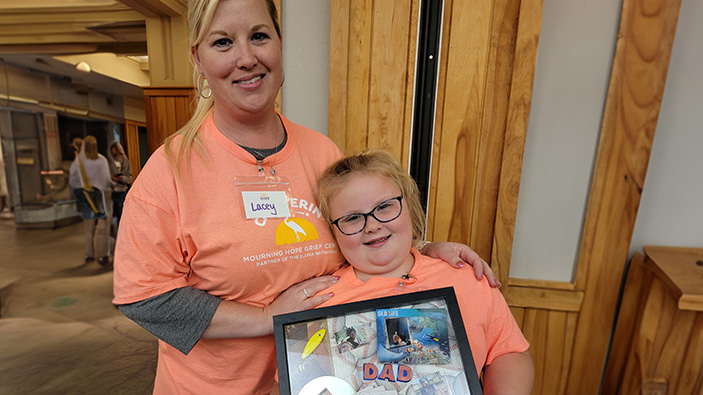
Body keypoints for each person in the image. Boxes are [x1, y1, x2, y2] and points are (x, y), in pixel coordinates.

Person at [112, 1, 497, 393]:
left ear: (279, 44)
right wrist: (266, 318)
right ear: (198, 58)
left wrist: (423, 249)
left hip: (322, 381)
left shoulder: (320, 152)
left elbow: (357, 232)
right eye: (223, 42)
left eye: (259, 36)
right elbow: (145, 299)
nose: (246, 58)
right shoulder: (170, 172)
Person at [314, 150, 534, 394]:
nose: (373, 225)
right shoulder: (321, 303)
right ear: (332, 230)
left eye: (384, 207)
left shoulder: (465, 278)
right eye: (353, 218)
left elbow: (509, 352)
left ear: (408, 204)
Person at [68, 136, 114, 265]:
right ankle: (102, 255)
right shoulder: (102, 160)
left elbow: (73, 180)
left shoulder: (78, 162)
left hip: (86, 196)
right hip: (102, 196)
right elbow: (106, 180)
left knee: (89, 229)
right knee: (103, 228)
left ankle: (89, 255)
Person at [107, 141, 132, 234]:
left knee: (121, 215)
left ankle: (122, 235)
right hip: (110, 192)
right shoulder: (108, 162)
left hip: (121, 191)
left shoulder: (124, 161)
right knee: (111, 216)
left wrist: (121, 178)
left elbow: (129, 179)